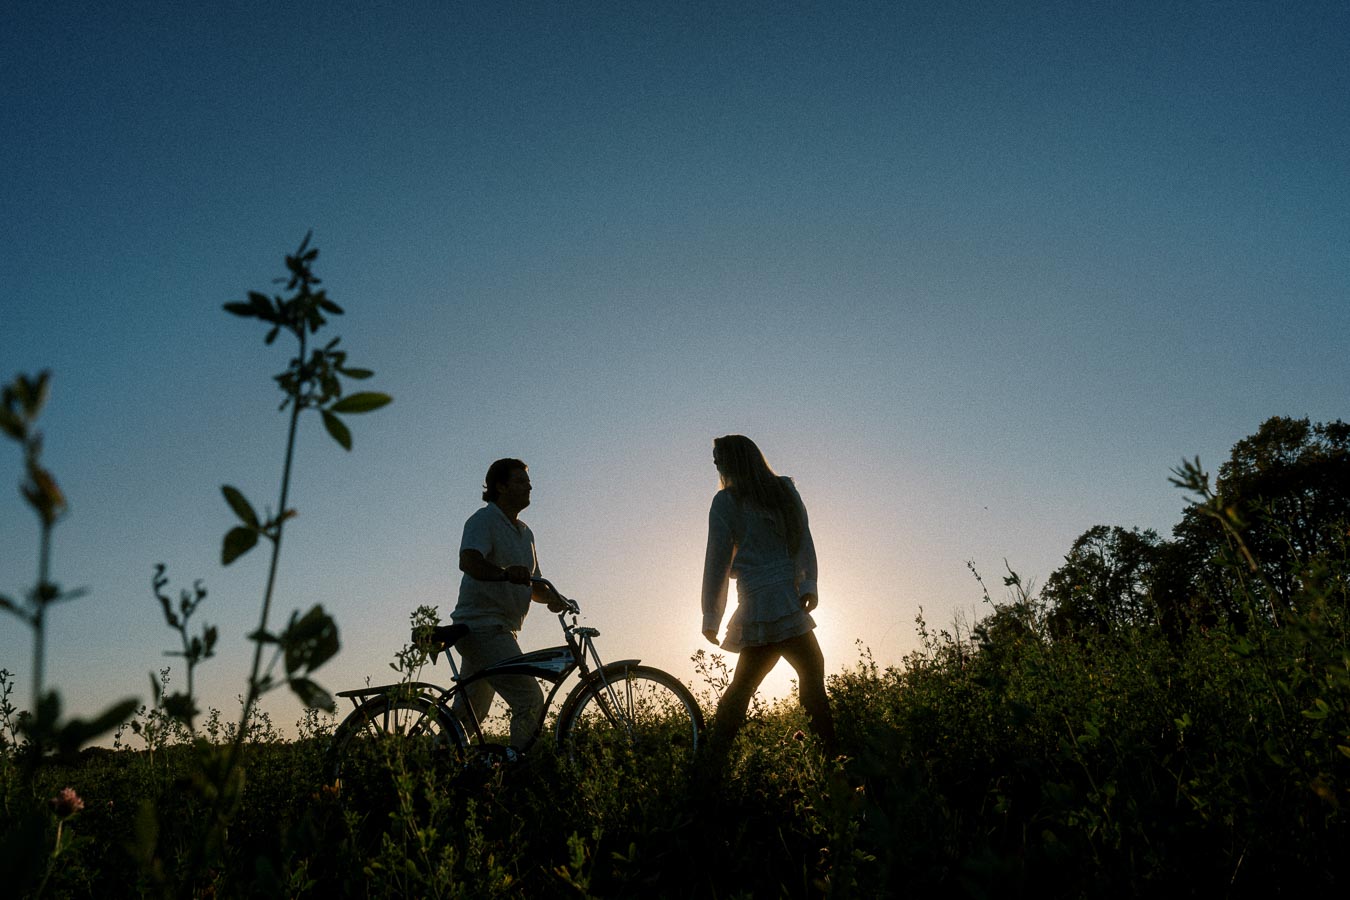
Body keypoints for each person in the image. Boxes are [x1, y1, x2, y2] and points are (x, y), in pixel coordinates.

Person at [700, 435, 836, 759]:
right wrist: (711, 614)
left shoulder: (777, 492)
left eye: (719, 456)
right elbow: (717, 558)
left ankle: (710, 761)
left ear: (736, 458)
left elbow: (802, 538)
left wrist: (808, 584)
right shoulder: (737, 500)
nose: (715, 462)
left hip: (777, 600)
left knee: (768, 680)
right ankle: (831, 757)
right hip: (765, 602)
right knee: (793, 675)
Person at [450, 458, 565, 751]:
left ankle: (432, 773)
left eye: (528, 482)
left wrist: (555, 598)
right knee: (529, 699)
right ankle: (522, 777)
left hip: (500, 630)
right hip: (482, 628)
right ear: (500, 486)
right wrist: (504, 573)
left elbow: (533, 583)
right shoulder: (483, 520)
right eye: (521, 481)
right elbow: (469, 561)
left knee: (467, 717)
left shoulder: (525, 533)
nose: (529, 486)